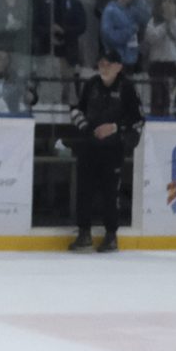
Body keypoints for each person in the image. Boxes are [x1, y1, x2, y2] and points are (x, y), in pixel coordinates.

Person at [66, 47, 142, 252]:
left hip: (113, 149)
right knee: (84, 190)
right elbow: (77, 110)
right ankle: (84, 233)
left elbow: (137, 119)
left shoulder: (127, 88)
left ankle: (111, 235)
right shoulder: (91, 85)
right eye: (101, 63)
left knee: (110, 192)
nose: (104, 67)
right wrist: (87, 129)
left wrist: (115, 128)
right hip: (89, 147)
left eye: (108, 64)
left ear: (119, 67)